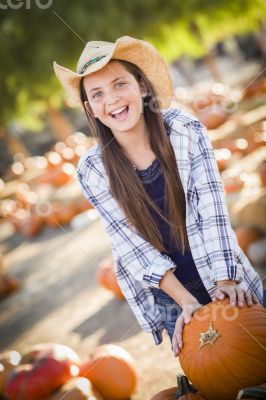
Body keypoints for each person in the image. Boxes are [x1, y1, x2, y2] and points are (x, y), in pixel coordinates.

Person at [53, 35, 264, 357]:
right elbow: (130, 244)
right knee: (214, 374)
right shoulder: (93, 169)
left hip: (222, 272)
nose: (111, 99)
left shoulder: (184, 130)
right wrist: (186, 303)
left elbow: (212, 209)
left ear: (143, 87)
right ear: (90, 109)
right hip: (171, 297)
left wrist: (225, 283)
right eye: (97, 94)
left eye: (119, 84)